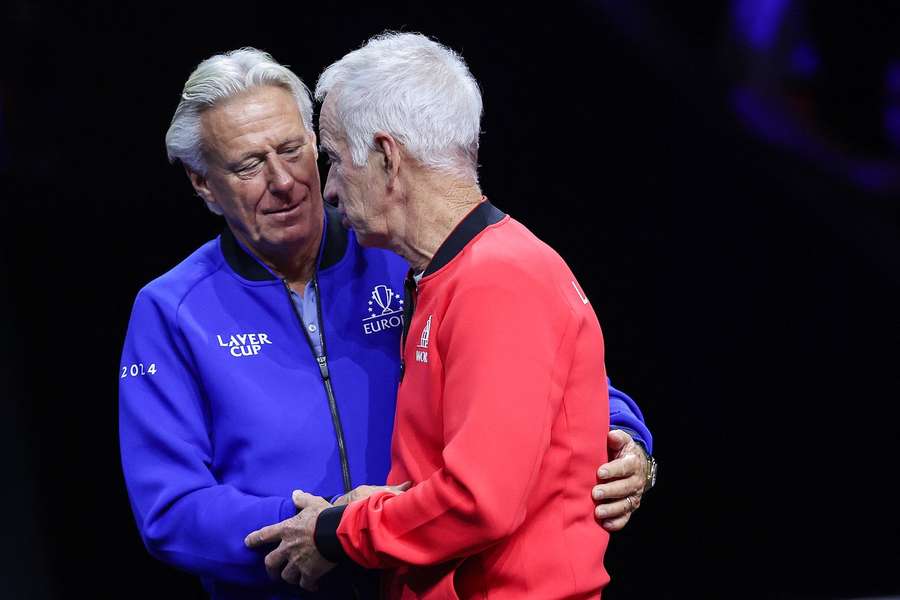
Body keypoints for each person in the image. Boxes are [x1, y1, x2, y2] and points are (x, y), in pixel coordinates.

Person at [119, 47, 653, 600]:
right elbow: (170, 510)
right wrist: (315, 526)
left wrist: (625, 437)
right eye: (249, 165)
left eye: (294, 149)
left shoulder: (401, 246)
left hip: (422, 569)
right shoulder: (171, 311)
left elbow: (541, 368)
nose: (284, 181)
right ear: (203, 183)